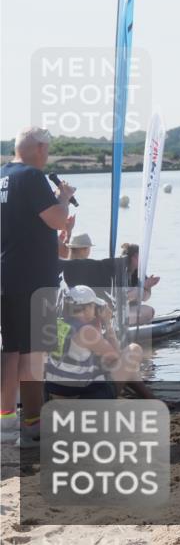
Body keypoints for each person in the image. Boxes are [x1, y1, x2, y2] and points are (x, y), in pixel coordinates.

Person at [1, 127, 74, 447]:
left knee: (11, 349)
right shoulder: (32, 176)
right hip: (33, 279)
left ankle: (6, 422)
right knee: (33, 353)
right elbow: (57, 219)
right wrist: (64, 198)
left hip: (8, 274)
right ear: (41, 149)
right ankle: (32, 423)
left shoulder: (3, 176)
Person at [44, 285, 152, 400]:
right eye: (94, 306)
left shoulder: (58, 324)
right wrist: (107, 323)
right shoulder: (86, 331)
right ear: (87, 308)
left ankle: (150, 398)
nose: (96, 310)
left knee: (125, 367)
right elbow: (116, 357)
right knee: (134, 350)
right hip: (82, 398)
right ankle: (150, 399)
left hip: (56, 392)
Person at [62, 243, 160, 325]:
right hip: (108, 311)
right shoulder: (118, 268)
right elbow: (120, 298)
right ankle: (115, 325)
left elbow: (145, 298)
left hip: (119, 310)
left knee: (149, 310)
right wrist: (140, 289)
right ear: (135, 257)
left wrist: (148, 287)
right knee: (142, 303)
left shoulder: (137, 272)